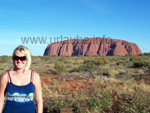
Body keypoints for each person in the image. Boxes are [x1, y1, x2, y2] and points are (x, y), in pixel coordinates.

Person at [0, 45, 43, 113]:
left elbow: (39, 99)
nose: (19, 60)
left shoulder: (35, 76)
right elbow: (1, 98)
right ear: (13, 59)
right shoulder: (6, 76)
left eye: (23, 58)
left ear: (27, 59)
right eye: (16, 58)